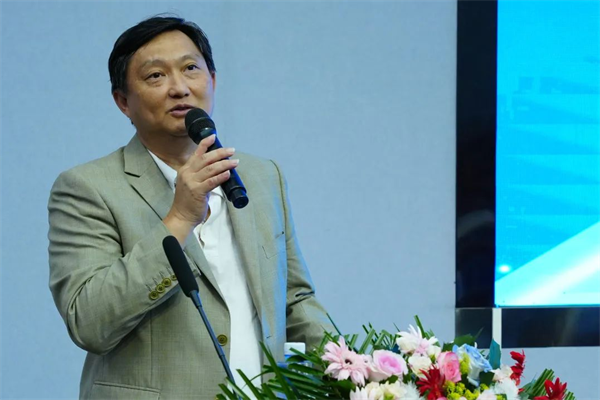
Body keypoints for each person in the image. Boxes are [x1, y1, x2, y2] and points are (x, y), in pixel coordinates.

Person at [48, 16, 332, 400]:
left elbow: (295, 301)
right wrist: (180, 217)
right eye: (155, 76)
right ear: (123, 102)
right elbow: (90, 322)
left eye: (190, 69)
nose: (179, 88)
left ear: (212, 80)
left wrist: (355, 374)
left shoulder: (262, 176)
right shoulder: (87, 188)